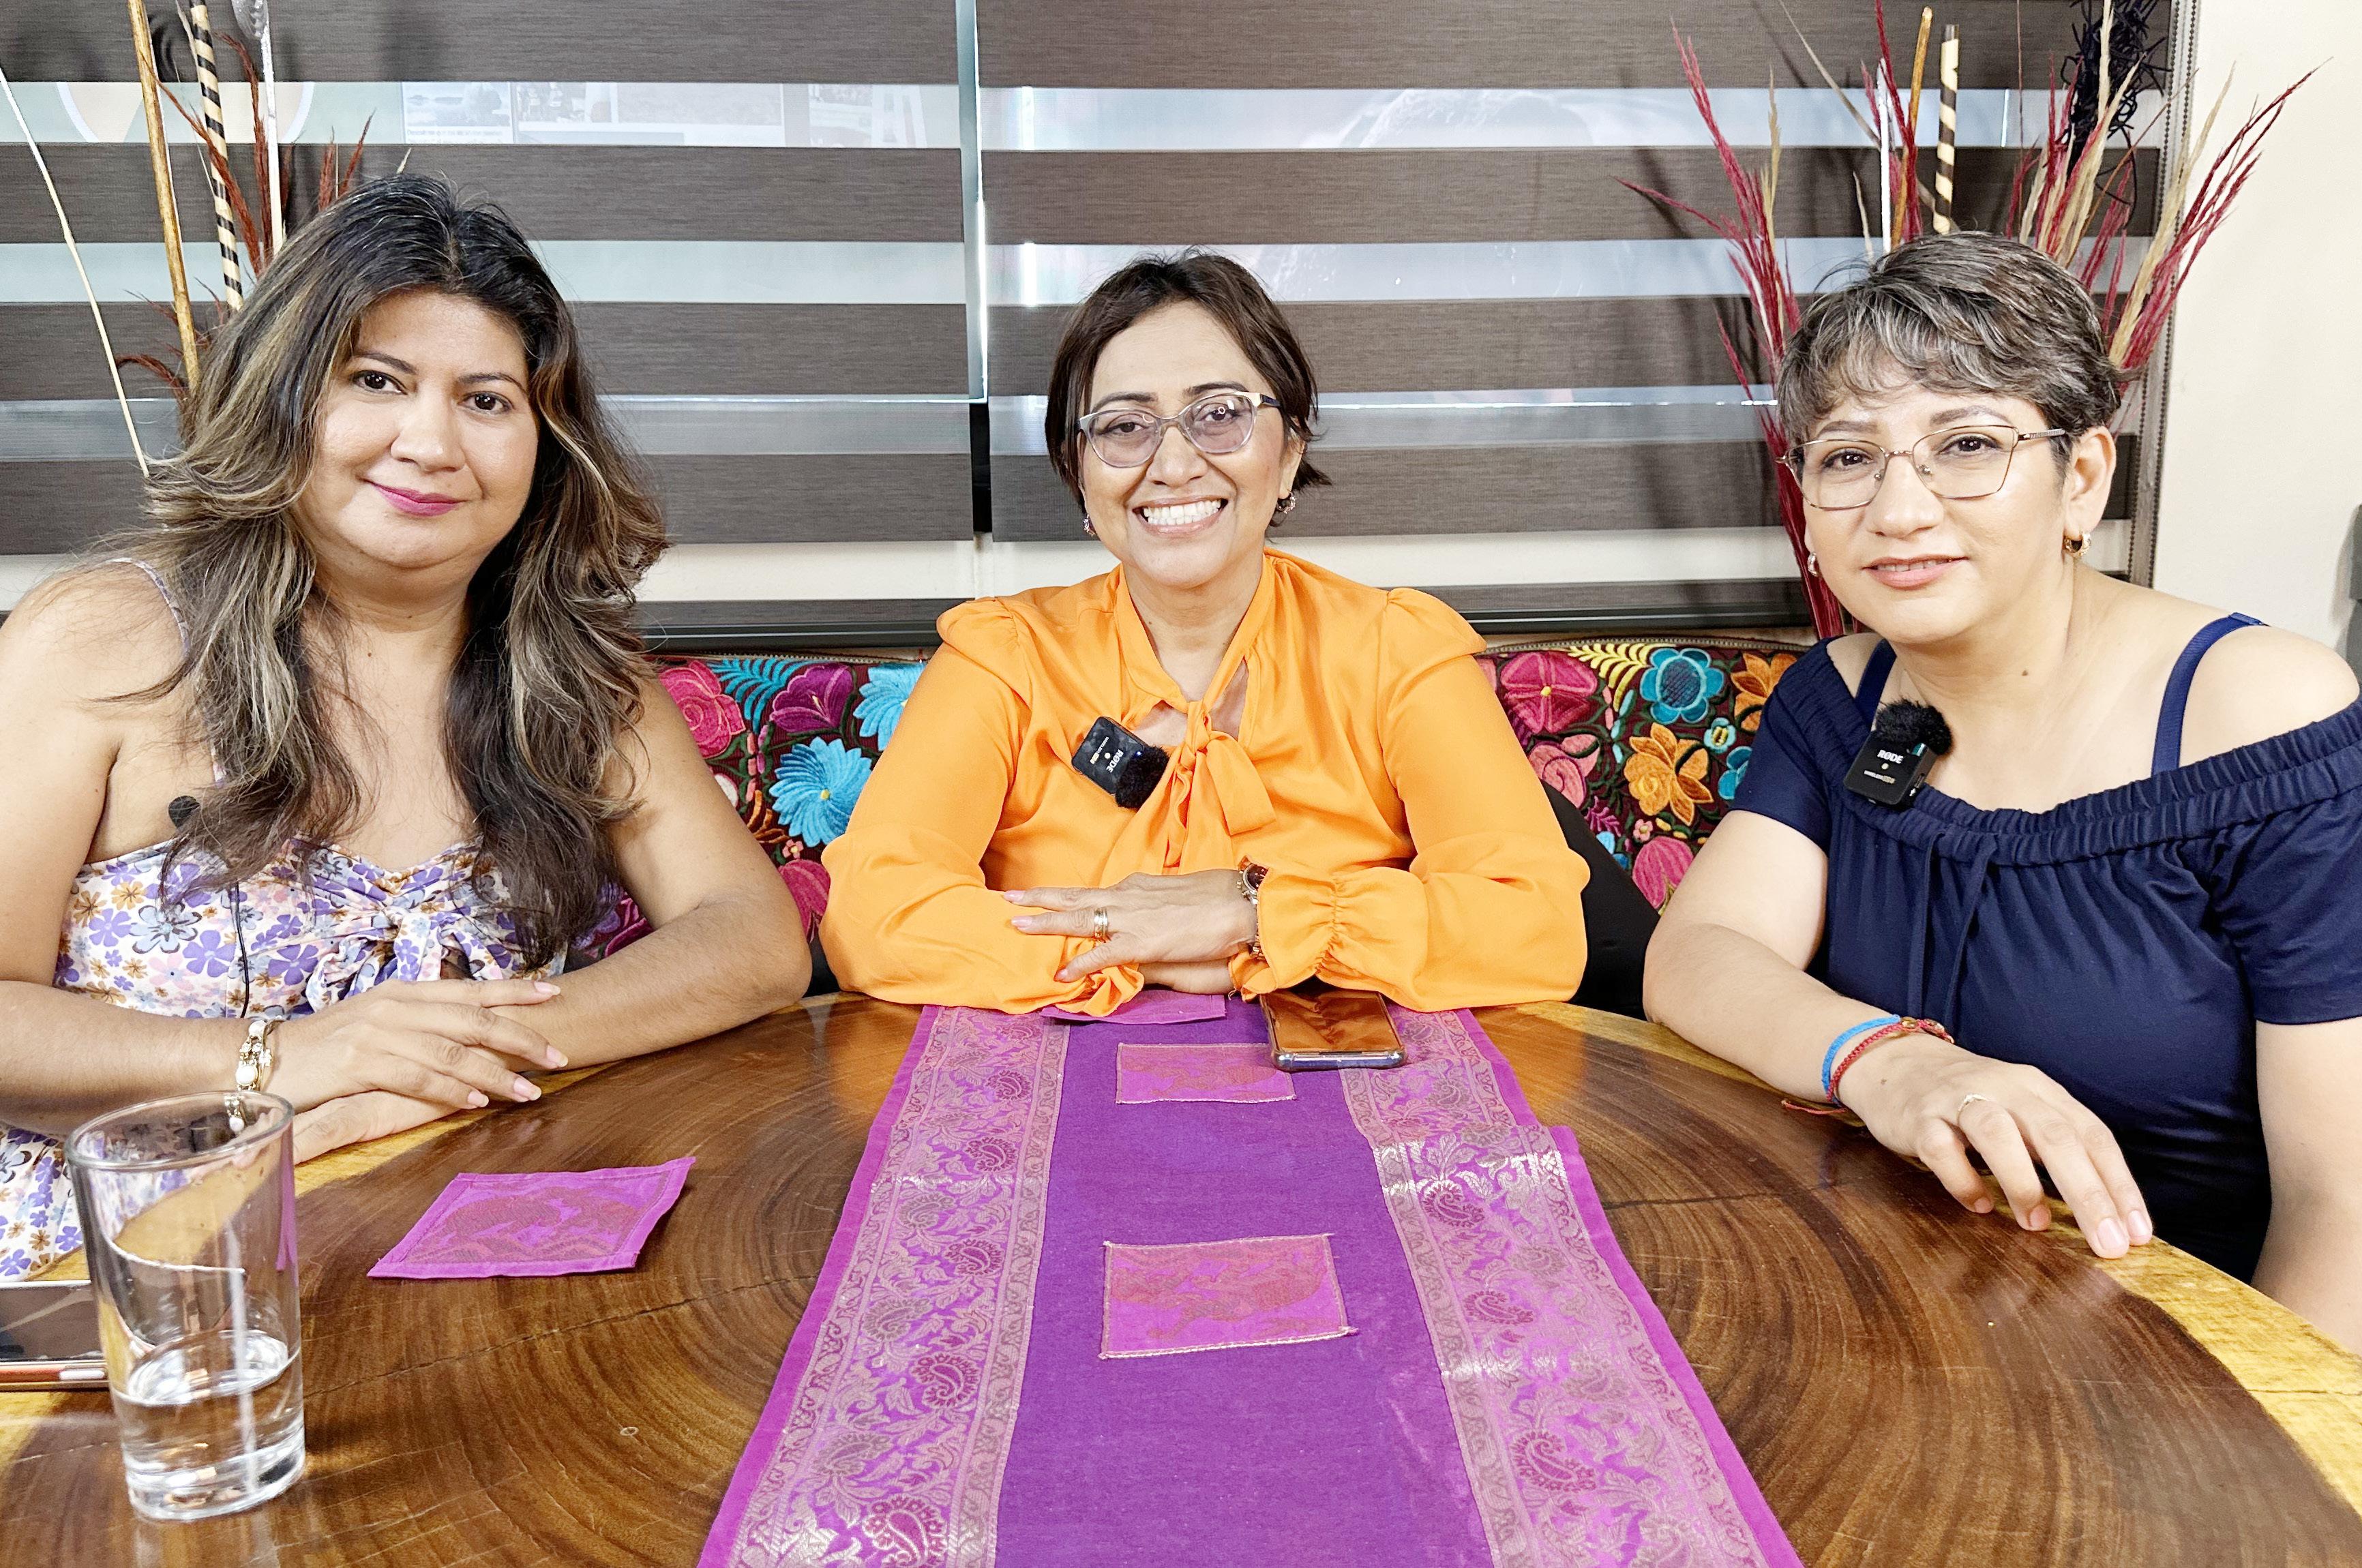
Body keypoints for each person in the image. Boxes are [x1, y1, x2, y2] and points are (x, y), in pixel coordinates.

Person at [0, 177, 807, 1280]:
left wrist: (448, 1054)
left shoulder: (573, 673)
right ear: (283, 399)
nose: (431, 442)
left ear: (546, 443)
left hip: (465, 1237)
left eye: (487, 401)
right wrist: (285, 1057)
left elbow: (752, 941)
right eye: (376, 381)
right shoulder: (101, 640)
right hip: (134, 1275)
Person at [1645, 232, 2362, 1350]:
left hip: (2164, 1364)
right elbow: (1699, 953)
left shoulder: (2259, 715)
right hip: (1880, 1309)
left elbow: (2341, 1205)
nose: (1897, 509)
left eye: (1966, 444)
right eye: (1848, 457)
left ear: (2081, 478)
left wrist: (2269, 1438)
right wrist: (1891, 1062)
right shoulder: (1842, 696)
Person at [822, 252, 1588, 1015]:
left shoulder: (1397, 652)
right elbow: (872, 918)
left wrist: (1255, 914)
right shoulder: (1003, 658)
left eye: (1219, 414)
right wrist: (1139, 941)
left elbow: (1536, 929)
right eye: (1125, 426)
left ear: (1288, 453)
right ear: (1080, 473)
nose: (1173, 464)